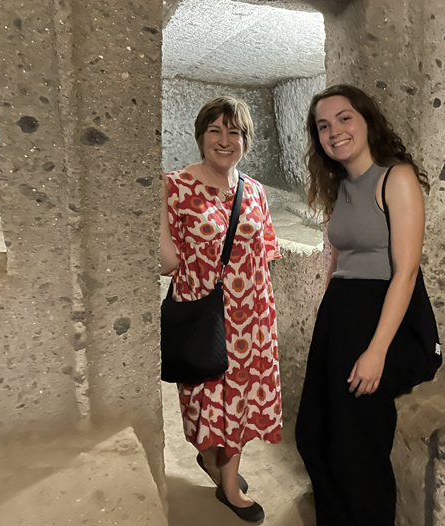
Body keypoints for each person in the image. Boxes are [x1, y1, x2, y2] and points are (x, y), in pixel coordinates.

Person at [295, 84, 427, 526]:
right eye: (323, 126)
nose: (335, 131)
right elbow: (338, 259)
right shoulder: (340, 186)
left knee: (358, 448)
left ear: (367, 119)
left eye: (344, 118)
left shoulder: (396, 177)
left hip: (378, 315)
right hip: (340, 315)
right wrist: (327, 318)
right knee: (314, 435)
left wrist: (376, 351)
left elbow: (406, 272)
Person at [157, 96, 283, 522]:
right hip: (201, 312)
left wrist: (254, 310)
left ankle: (229, 483)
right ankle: (212, 458)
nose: (225, 140)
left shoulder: (256, 192)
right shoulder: (174, 186)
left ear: (246, 140)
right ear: (200, 136)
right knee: (205, 400)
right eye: (216, 130)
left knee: (241, 402)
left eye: (235, 132)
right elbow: (166, 261)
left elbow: (264, 252)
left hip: (251, 316)